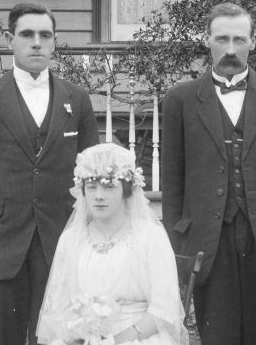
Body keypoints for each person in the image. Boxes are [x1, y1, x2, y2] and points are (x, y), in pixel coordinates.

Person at [159, 2, 256, 345]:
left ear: (253, 42)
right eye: (222, 39)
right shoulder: (179, 99)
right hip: (208, 239)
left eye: (239, 40)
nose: (231, 49)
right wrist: (176, 246)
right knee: (217, 336)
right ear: (206, 40)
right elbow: (172, 180)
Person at [0, 2, 100, 345]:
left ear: (54, 41)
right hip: (1, 243)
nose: (36, 42)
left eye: (45, 35)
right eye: (27, 34)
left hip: (60, 243)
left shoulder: (76, 99)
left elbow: (91, 175)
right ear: (10, 39)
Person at [36, 143, 187, 345]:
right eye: (91, 187)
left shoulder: (150, 236)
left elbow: (163, 309)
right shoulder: (72, 239)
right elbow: (58, 306)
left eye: (108, 186)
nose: (98, 195)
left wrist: (115, 341)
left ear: (127, 191)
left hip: (139, 335)